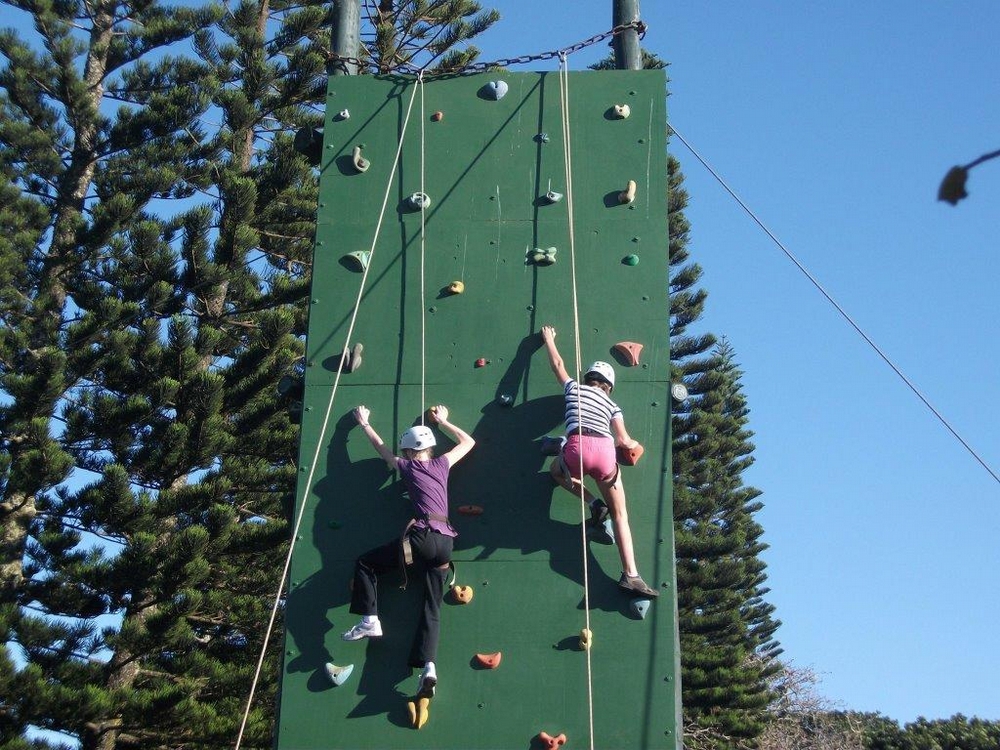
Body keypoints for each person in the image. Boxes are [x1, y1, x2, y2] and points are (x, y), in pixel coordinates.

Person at [342, 403, 476, 696]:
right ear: (430, 448)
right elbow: (469, 442)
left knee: (366, 563)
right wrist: (444, 421)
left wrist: (364, 423)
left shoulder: (407, 466)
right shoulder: (442, 464)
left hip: (421, 539)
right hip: (445, 544)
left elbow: (381, 449)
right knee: (432, 606)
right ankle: (429, 667)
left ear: (406, 451)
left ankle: (370, 619)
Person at [539, 324, 659, 598]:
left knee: (556, 472)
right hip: (605, 454)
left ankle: (594, 504)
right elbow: (624, 441)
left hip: (576, 449)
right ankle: (632, 575)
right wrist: (637, 447)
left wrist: (549, 339)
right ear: (609, 386)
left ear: (589, 378)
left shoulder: (574, 389)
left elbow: (558, 364)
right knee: (621, 516)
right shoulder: (612, 405)